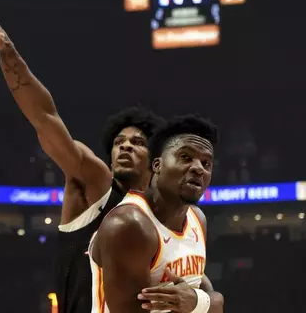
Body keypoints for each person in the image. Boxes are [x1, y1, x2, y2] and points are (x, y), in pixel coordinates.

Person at [0, 0, 164, 313]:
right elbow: (44, 118)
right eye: (118, 142)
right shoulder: (97, 184)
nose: (125, 145)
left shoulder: (159, 219)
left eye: (137, 142)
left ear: (155, 163)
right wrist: (8, 54)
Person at [88, 115, 225, 313]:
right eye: (185, 157)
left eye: (206, 163)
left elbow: (200, 293)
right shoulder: (128, 224)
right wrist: (210, 302)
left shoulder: (197, 219)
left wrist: (200, 302)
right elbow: (212, 304)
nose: (198, 168)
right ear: (157, 165)